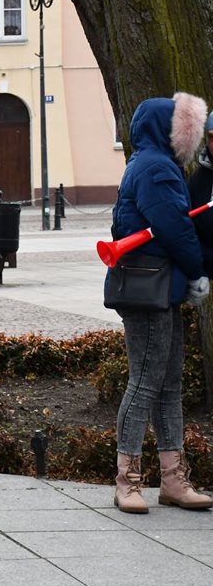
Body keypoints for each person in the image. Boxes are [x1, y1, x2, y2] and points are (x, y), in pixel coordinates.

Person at [114, 94, 212, 513]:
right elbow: (175, 227)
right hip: (151, 291)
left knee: (167, 384)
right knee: (145, 383)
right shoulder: (156, 168)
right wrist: (197, 271)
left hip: (155, 288)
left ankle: (173, 479)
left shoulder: (147, 162)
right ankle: (127, 480)